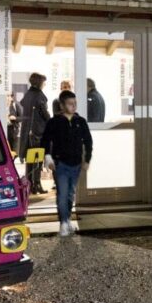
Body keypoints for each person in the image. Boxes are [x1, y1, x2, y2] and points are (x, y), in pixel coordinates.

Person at [40, 90, 93, 236]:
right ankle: (63, 223)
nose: (73, 106)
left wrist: (87, 159)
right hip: (60, 164)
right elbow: (45, 140)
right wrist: (48, 157)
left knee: (70, 194)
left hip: (76, 164)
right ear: (62, 105)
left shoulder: (80, 121)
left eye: (75, 103)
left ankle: (67, 220)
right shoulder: (54, 122)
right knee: (62, 193)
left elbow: (88, 141)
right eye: (70, 104)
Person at [19, 73, 51, 194]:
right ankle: (36, 185)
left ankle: (29, 185)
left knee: (30, 160)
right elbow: (44, 113)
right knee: (38, 159)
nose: (44, 84)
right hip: (38, 133)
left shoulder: (28, 95)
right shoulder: (39, 96)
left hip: (28, 133)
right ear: (39, 83)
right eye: (43, 82)